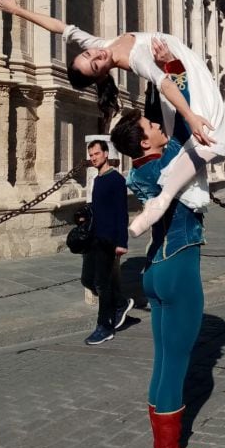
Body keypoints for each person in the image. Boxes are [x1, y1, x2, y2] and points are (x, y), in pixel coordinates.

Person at [0, 0, 225, 235]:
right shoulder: (136, 59)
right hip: (183, 73)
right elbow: (166, 85)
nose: (97, 55)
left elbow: (60, 27)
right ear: (100, 75)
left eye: (89, 54)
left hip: (181, 62)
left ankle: (161, 199)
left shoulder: (100, 45)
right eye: (96, 64)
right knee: (209, 138)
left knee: (203, 144)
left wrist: (18, 11)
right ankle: (162, 200)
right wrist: (190, 116)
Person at [110, 44, 215, 448]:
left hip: (155, 269)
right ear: (145, 140)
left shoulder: (141, 168)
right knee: (177, 366)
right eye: (151, 126)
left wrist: (165, 67)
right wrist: (182, 76)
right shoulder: (168, 162)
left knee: (163, 363)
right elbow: (189, 124)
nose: (157, 125)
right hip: (178, 268)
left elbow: (167, 115)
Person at [80, 140, 134, 345]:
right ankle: (120, 303)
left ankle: (104, 327)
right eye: (91, 155)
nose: (93, 158)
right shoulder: (98, 179)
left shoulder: (116, 180)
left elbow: (122, 213)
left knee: (102, 284)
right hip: (93, 238)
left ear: (105, 154)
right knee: (87, 279)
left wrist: (122, 242)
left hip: (108, 239)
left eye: (96, 154)